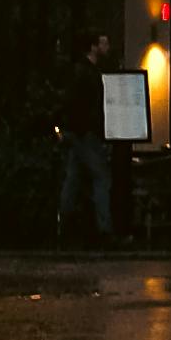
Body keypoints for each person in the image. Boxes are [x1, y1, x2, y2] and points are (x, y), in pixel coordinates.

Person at [55, 31, 117, 245]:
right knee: (101, 178)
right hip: (85, 133)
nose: (107, 46)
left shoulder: (79, 71)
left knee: (73, 178)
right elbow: (89, 107)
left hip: (77, 132)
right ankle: (104, 229)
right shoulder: (89, 73)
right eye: (103, 42)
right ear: (93, 47)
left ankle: (65, 226)